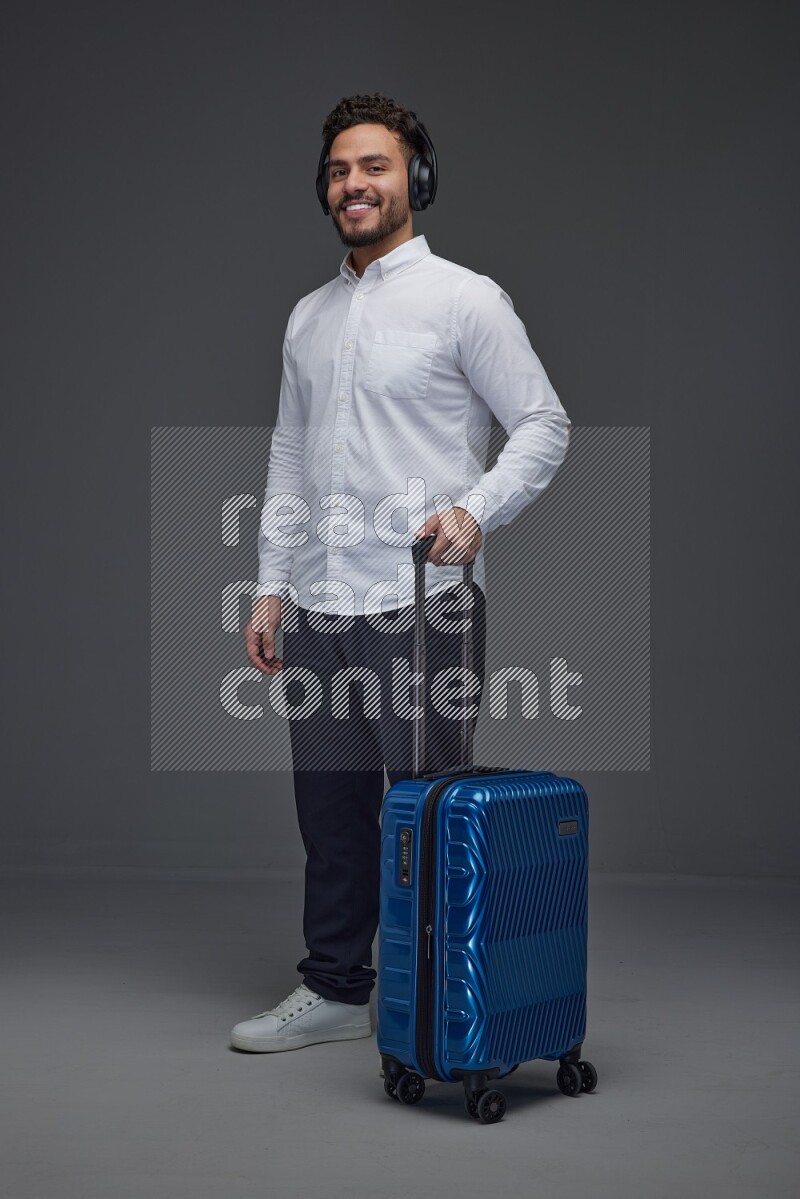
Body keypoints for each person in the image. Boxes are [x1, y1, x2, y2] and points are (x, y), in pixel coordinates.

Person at [231, 93, 571, 1053]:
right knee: (331, 816)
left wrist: (476, 511)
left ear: (415, 178)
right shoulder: (308, 317)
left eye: (374, 166)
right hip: (319, 603)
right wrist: (270, 584)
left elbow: (543, 422)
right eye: (340, 170)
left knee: (428, 813)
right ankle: (337, 988)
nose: (355, 184)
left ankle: (439, 1003)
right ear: (324, 187)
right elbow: (288, 455)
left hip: (420, 603)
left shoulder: (466, 299)